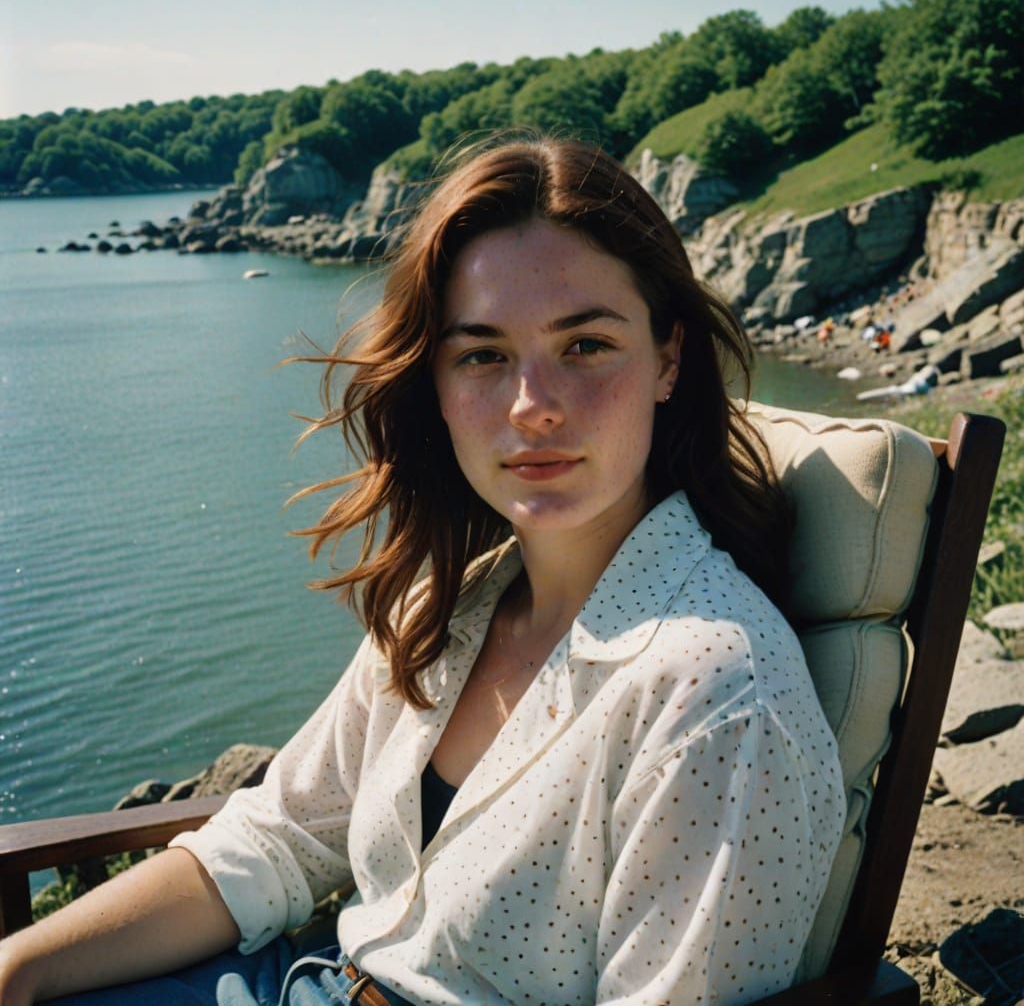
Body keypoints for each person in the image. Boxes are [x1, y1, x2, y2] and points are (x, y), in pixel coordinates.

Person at [0, 136, 845, 1006]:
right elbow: (284, 836)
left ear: (668, 358)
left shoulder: (714, 696)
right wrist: (19, 969)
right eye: (481, 354)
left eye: (586, 345)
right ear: (435, 384)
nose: (532, 405)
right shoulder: (455, 603)